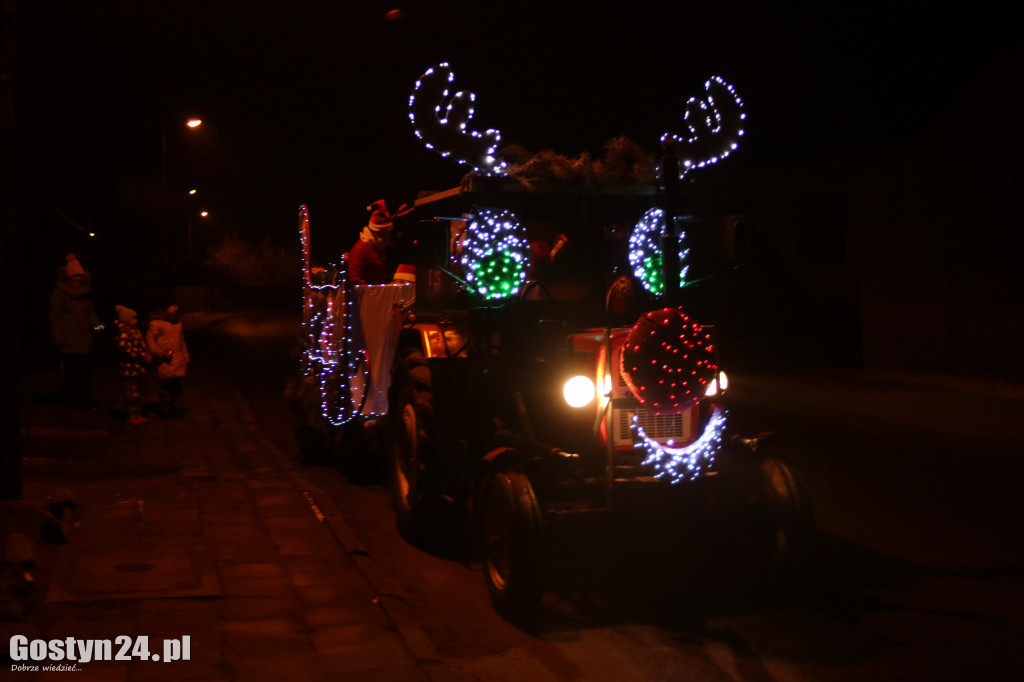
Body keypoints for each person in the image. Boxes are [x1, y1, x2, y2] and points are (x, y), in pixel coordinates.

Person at [48, 253, 103, 407]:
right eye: (74, 277)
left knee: (85, 374)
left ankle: (84, 400)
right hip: (69, 342)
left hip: (85, 340)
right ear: (68, 278)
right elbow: (54, 317)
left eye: (79, 276)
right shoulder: (59, 293)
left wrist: (99, 327)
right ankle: (68, 401)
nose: (77, 279)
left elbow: (91, 314)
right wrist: (59, 340)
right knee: (70, 375)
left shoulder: (85, 295)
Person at [347, 199, 411, 286]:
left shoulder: (380, 247)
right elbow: (354, 278)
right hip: (367, 296)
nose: (390, 235)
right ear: (379, 233)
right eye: (387, 233)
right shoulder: (361, 249)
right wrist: (372, 291)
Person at [146, 298, 190, 418]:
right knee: (165, 384)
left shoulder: (177, 323)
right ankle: (165, 408)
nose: (177, 308)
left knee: (177, 384)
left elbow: (181, 340)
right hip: (165, 359)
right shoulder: (156, 323)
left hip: (178, 359)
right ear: (165, 307)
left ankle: (177, 406)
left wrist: (185, 355)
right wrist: (158, 352)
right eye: (173, 305)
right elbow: (150, 339)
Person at [113, 305, 151, 425]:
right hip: (128, 368)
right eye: (133, 318)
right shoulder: (123, 333)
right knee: (131, 393)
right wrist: (141, 354)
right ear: (126, 320)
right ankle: (131, 414)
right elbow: (126, 350)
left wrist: (146, 354)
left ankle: (137, 413)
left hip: (137, 367)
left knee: (137, 392)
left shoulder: (135, 331)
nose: (136, 320)